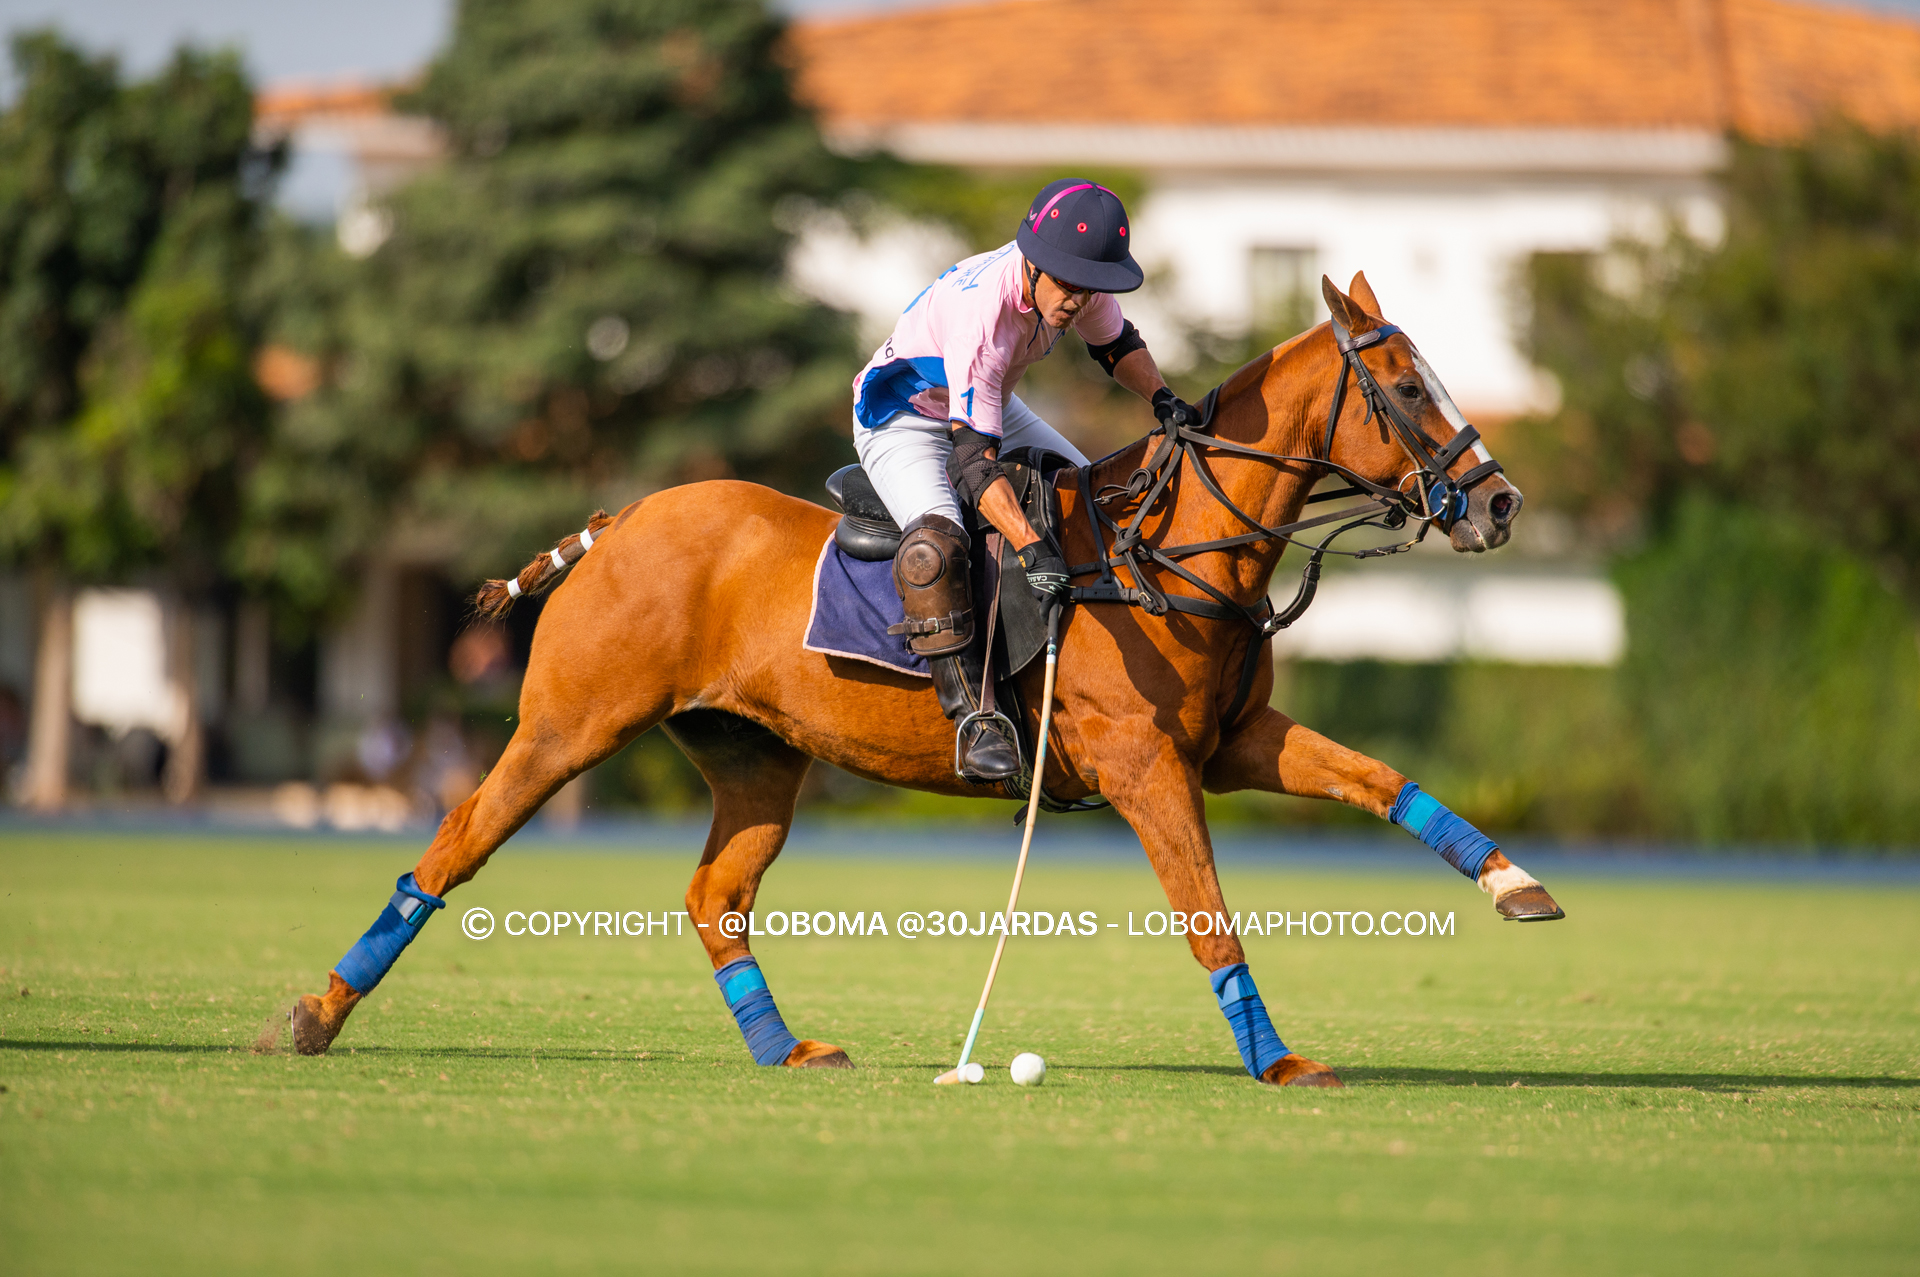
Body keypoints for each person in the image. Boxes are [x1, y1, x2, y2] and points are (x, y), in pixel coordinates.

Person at [850, 178, 1197, 782]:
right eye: (1066, 285)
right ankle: (976, 718)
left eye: (1089, 288)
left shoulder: (1077, 283)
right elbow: (974, 463)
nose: (1076, 301)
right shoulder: (982, 316)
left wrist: (1164, 399)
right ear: (1034, 266)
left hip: (990, 402)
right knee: (939, 544)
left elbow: (1117, 346)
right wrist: (1032, 547)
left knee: (1087, 496)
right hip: (904, 416)